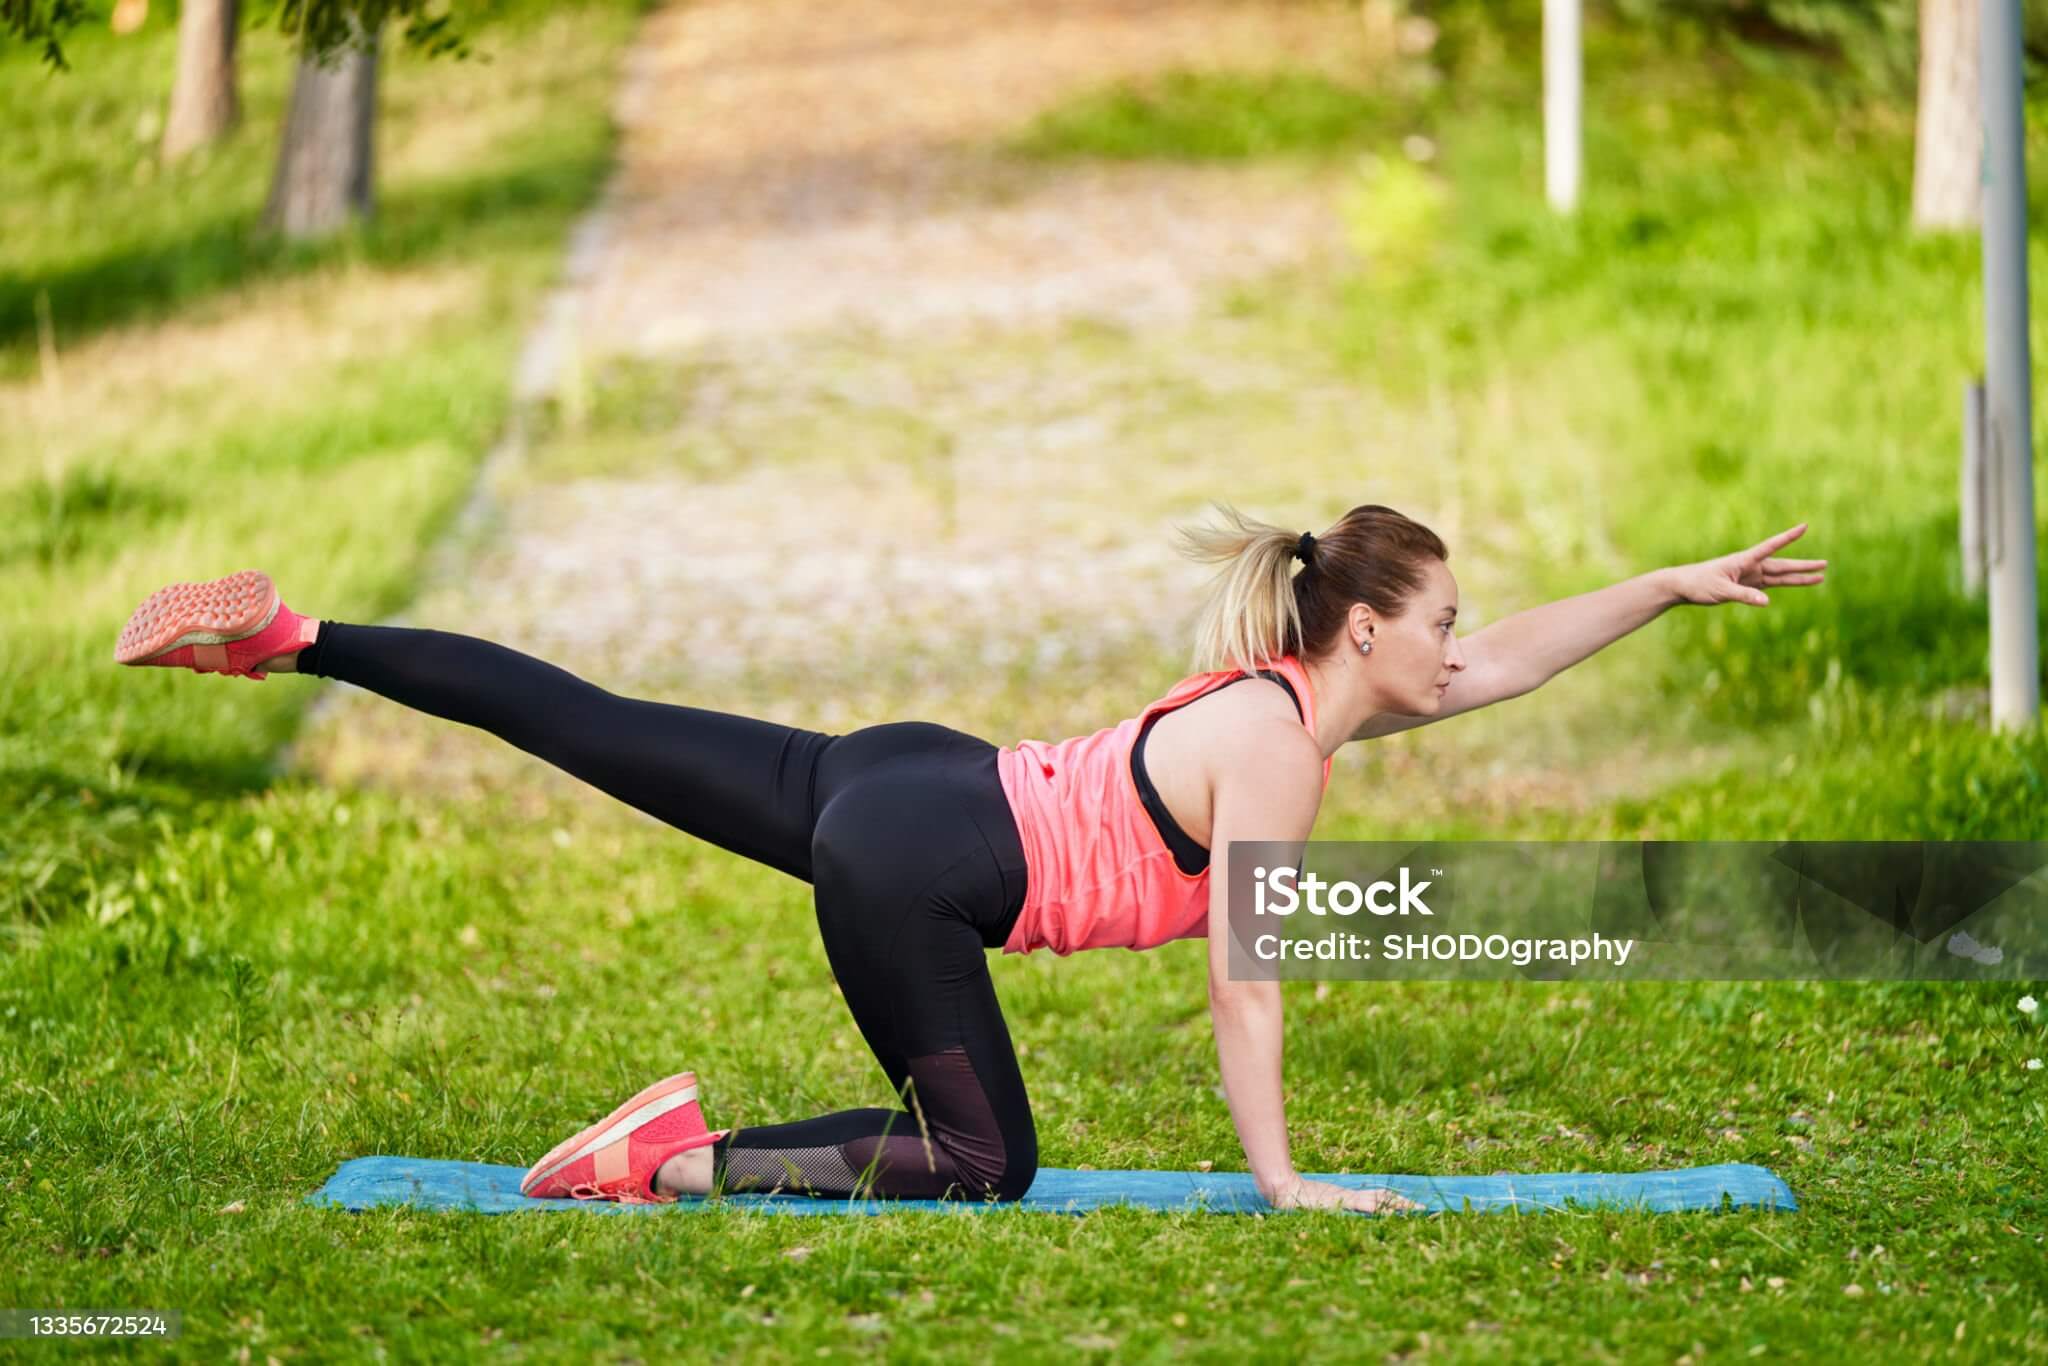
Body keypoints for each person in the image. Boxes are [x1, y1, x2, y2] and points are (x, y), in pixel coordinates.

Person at [112, 504, 1824, 1212]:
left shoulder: (1291, 693)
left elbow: (1509, 658)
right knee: (986, 1161)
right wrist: (1285, 1181)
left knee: (588, 717)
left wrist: (1672, 587)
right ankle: (666, 1162)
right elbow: (1246, 992)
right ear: (1367, 631)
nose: (1461, 644)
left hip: (914, 775)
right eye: (1439, 620)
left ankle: (296, 636)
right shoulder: (1281, 757)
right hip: (916, 862)